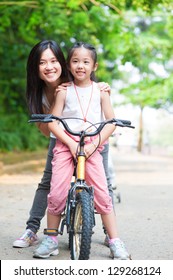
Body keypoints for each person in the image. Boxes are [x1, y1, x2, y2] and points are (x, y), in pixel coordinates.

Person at [13, 40, 114, 248]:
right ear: (35, 67)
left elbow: (92, 89)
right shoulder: (39, 93)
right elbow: (46, 129)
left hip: (92, 138)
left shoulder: (75, 77)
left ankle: (109, 233)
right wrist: (66, 140)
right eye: (42, 63)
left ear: (62, 63)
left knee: (104, 182)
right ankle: (32, 230)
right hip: (61, 138)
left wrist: (104, 86)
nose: (49, 66)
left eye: (53, 61)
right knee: (49, 181)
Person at [33, 42, 130, 260]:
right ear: (69, 65)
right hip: (66, 143)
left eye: (86, 62)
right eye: (75, 61)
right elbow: (54, 123)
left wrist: (95, 144)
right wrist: (69, 143)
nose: (80, 66)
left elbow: (111, 122)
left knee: (103, 194)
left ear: (94, 66)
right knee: (56, 191)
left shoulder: (101, 91)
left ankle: (115, 241)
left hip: (93, 145)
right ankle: (50, 239)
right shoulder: (64, 91)